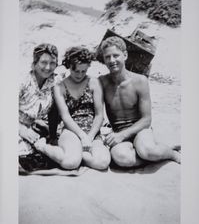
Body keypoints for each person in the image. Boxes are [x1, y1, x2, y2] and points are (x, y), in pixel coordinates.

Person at [98, 36, 180, 168]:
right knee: (122, 158)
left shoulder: (140, 81)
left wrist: (121, 135)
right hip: (118, 131)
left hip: (140, 129)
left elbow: (147, 120)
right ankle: (155, 152)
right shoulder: (101, 82)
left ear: (125, 55)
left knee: (147, 151)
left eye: (115, 55)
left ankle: (171, 153)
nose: (112, 60)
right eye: (107, 57)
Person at [35, 46, 110, 170]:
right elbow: (65, 116)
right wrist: (82, 136)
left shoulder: (94, 82)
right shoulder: (60, 87)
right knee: (71, 163)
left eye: (83, 71)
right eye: (76, 71)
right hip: (71, 130)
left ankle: (79, 154)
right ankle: (42, 146)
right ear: (69, 66)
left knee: (102, 163)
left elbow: (99, 115)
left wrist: (89, 137)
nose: (80, 75)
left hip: (92, 131)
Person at [19, 43, 59, 171]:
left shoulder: (54, 82)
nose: (48, 67)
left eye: (52, 63)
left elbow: (54, 111)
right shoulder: (22, 81)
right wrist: (22, 130)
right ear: (35, 63)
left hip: (32, 128)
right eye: (43, 62)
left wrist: (52, 135)